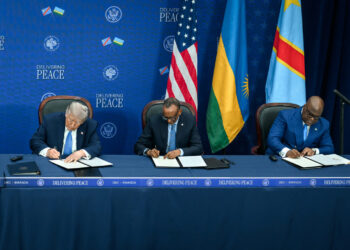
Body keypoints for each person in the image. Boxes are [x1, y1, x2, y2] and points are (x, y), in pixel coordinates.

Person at [30, 101, 102, 162]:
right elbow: (35, 141)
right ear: (66, 114)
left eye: (77, 122)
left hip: (77, 164)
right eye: (71, 120)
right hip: (52, 163)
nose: (73, 125)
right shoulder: (50, 121)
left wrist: (81, 153)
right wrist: (47, 151)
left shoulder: (89, 124)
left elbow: (96, 146)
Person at [134, 97, 203, 159]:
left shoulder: (189, 120)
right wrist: (148, 152)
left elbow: (198, 147)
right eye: (165, 117)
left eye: (172, 118)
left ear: (179, 112)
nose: (168, 121)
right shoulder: (154, 120)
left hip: (181, 159)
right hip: (160, 159)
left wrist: (180, 152)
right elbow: (139, 145)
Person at [267, 96, 334, 158]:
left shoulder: (324, 124)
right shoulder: (285, 116)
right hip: (282, 159)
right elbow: (272, 139)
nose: (312, 119)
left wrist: (314, 151)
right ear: (304, 107)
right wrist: (287, 152)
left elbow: (329, 148)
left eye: (316, 117)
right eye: (310, 115)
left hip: (306, 163)